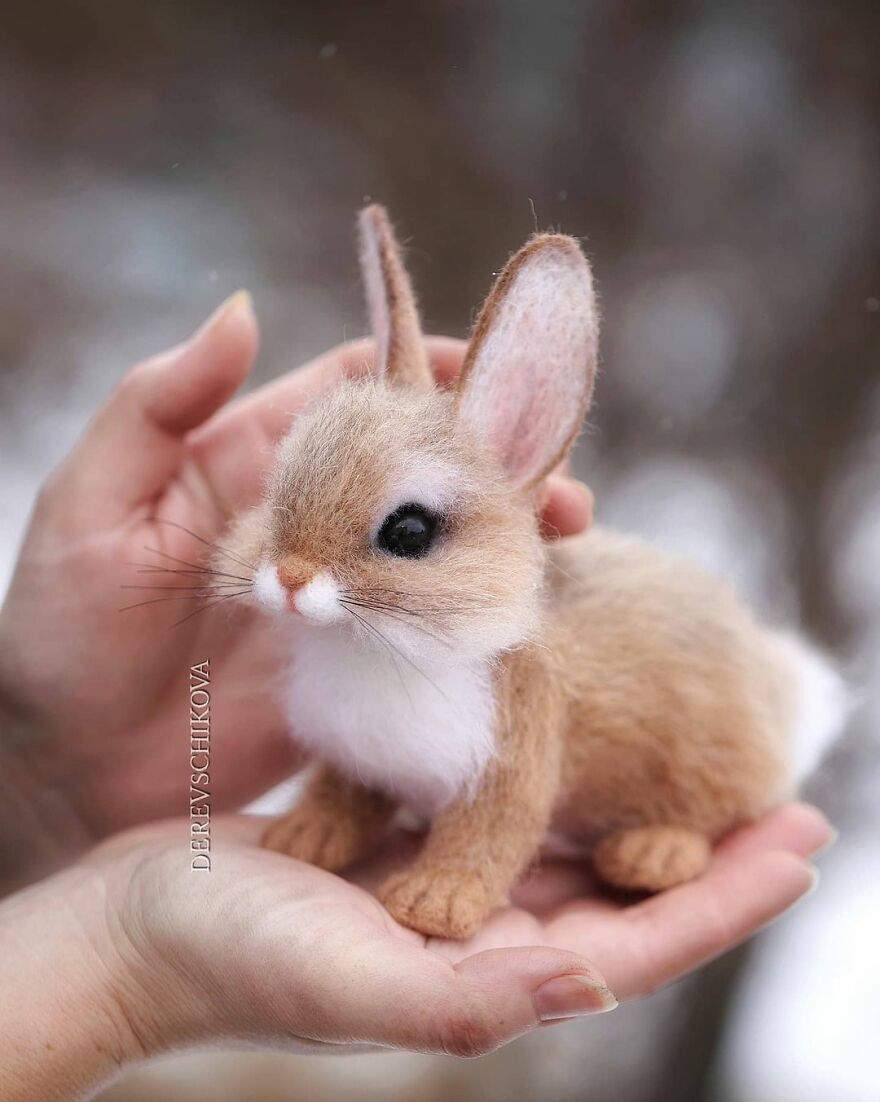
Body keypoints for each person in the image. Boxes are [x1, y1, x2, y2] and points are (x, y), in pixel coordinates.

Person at [0, 294, 831, 1099]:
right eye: (287, 514)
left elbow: (504, 793)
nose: (293, 575)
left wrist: (463, 874)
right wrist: (45, 792)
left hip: (697, 725)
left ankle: (679, 821)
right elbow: (362, 741)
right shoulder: (333, 646)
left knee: (677, 757)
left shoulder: (505, 675)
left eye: (404, 534)